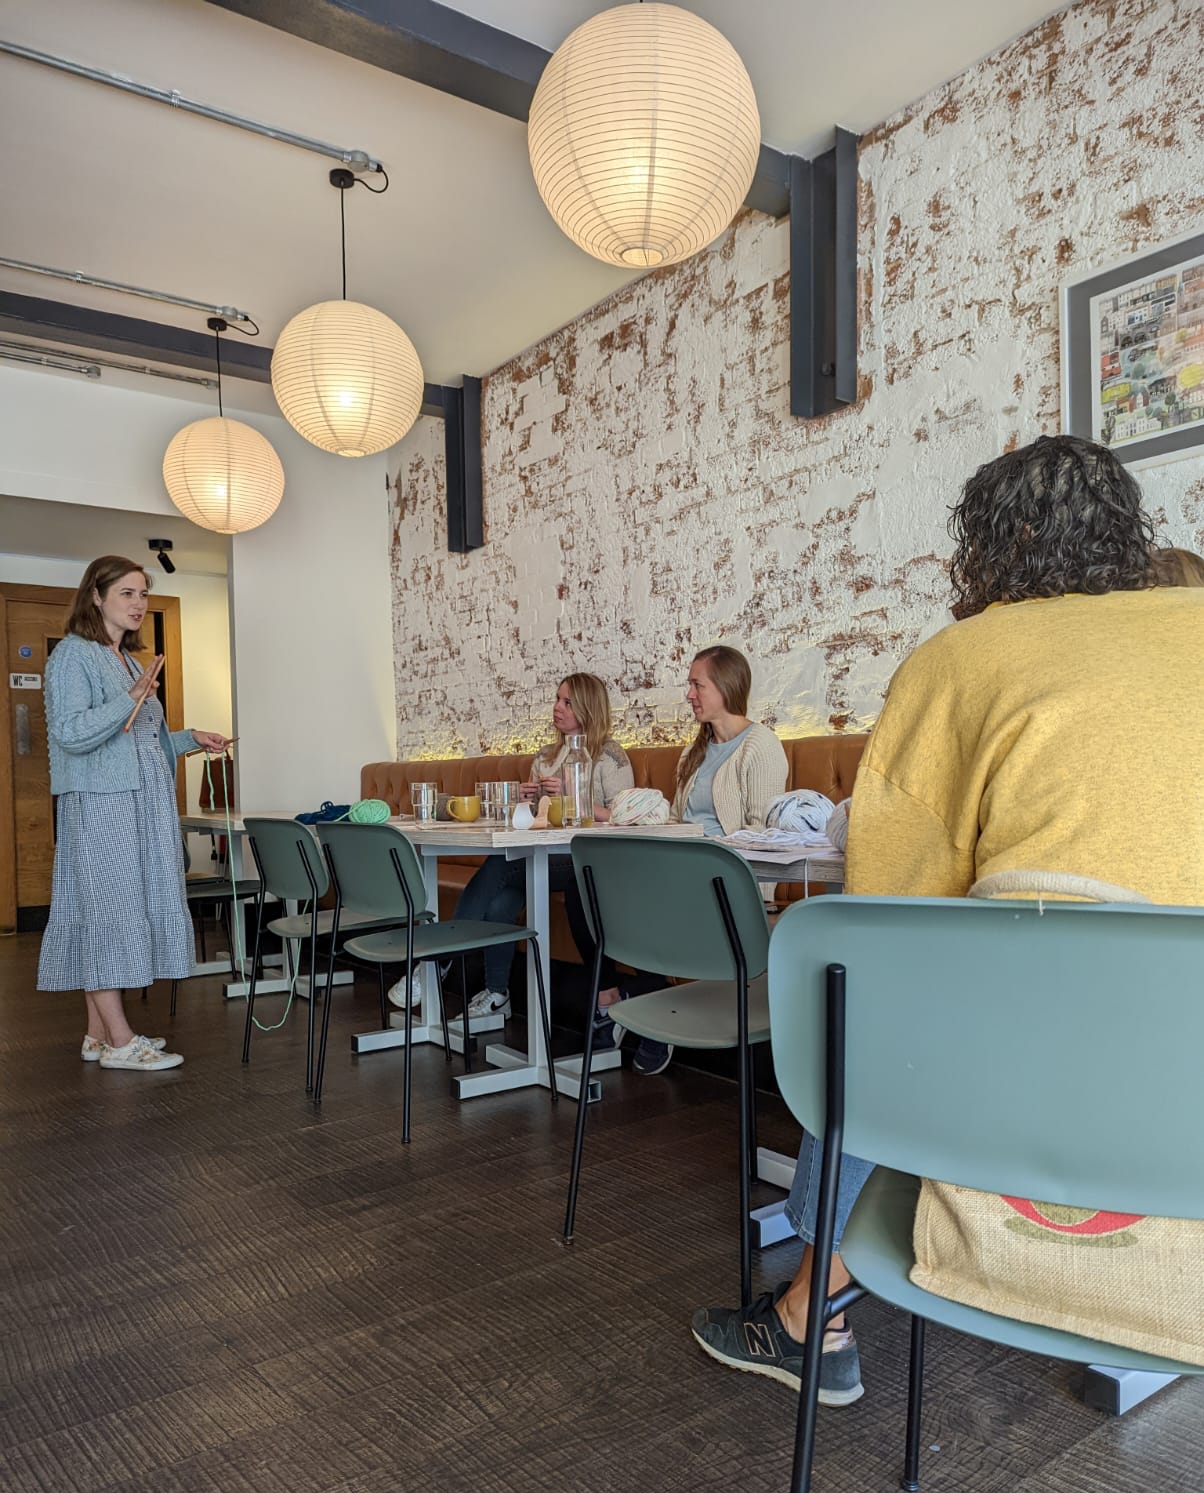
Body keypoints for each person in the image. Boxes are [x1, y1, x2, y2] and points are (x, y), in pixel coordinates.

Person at [692, 433, 1204, 1402]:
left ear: (998, 545)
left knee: (869, 1007)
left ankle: (809, 1318)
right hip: (1184, 1079)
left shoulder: (962, 660)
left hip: (1035, 1076)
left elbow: (892, 916)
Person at [37, 556, 233, 1070]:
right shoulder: (74, 656)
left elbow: (139, 742)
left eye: (143, 593)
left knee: (118, 909)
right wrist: (131, 696)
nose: (139, 603)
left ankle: (97, 1036)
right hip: (103, 804)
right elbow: (71, 733)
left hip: (139, 803)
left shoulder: (123, 658)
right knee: (107, 912)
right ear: (95, 596)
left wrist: (191, 739)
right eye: (127, 593)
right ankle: (122, 1043)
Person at [389, 674, 633, 1024]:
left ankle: (436, 960)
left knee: (501, 866)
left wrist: (572, 795)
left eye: (567, 702)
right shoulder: (546, 756)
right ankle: (497, 994)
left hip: (585, 858)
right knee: (503, 896)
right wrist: (525, 801)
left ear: (588, 707)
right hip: (542, 853)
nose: (557, 707)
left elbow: (624, 816)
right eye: (557, 699)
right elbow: (535, 821)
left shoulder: (610, 755)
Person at [612, 645, 788, 1074]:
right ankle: (644, 1002)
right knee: (600, 893)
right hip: (681, 871)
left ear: (726, 687)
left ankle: (646, 1011)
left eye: (697, 685)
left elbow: (764, 836)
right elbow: (677, 820)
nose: (689, 694)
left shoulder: (760, 746)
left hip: (725, 880)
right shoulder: (695, 751)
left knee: (632, 903)